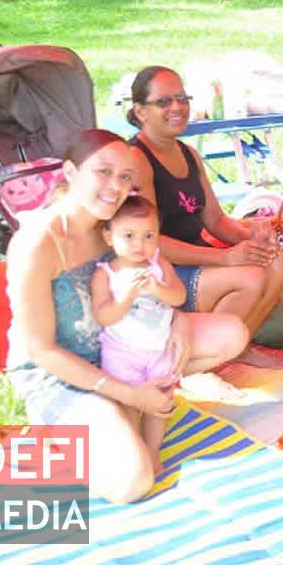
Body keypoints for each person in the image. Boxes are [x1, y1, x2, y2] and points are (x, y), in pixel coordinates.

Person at [5, 129, 248, 503]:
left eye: (124, 177)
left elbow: (163, 283)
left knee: (232, 333)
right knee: (133, 482)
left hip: (121, 345)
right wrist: (130, 395)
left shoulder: (119, 221)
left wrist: (179, 322)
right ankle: (62, 428)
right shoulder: (36, 243)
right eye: (103, 172)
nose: (114, 186)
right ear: (70, 172)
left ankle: (124, 408)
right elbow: (41, 352)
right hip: (59, 373)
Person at [126, 66, 283, 369]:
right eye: (163, 102)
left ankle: (238, 347)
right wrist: (225, 259)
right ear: (140, 111)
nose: (176, 107)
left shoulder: (188, 153)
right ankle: (197, 359)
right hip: (159, 272)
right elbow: (149, 243)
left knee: (277, 261)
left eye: (181, 98)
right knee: (249, 277)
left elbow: (214, 220)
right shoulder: (137, 159)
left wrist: (254, 237)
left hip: (195, 260)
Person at [91, 195, 186, 469]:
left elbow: (178, 297)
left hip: (159, 348)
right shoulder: (106, 273)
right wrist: (127, 296)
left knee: (161, 404)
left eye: (148, 236)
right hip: (122, 352)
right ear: (108, 236)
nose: (139, 245)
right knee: (131, 404)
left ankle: (153, 451)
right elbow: (104, 315)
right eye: (129, 235)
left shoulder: (158, 264)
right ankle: (136, 451)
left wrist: (158, 288)